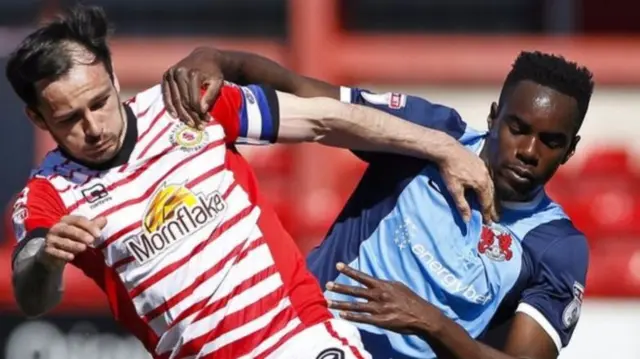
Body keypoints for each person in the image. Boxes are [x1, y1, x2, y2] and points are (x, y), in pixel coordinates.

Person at [6, 5, 497, 359]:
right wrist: (47, 259)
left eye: (98, 102)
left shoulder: (186, 106)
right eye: (69, 117)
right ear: (36, 116)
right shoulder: (48, 193)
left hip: (299, 339)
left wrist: (442, 147)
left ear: (113, 78)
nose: (92, 126)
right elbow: (32, 294)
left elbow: (327, 120)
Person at [162, 48, 593, 359]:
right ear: (494, 115)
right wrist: (218, 60)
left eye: (551, 141)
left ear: (570, 150)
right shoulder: (428, 134)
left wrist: (428, 321)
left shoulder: (557, 246)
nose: (529, 151)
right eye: (518, 128)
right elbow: (305, 94)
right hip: (297, 339)